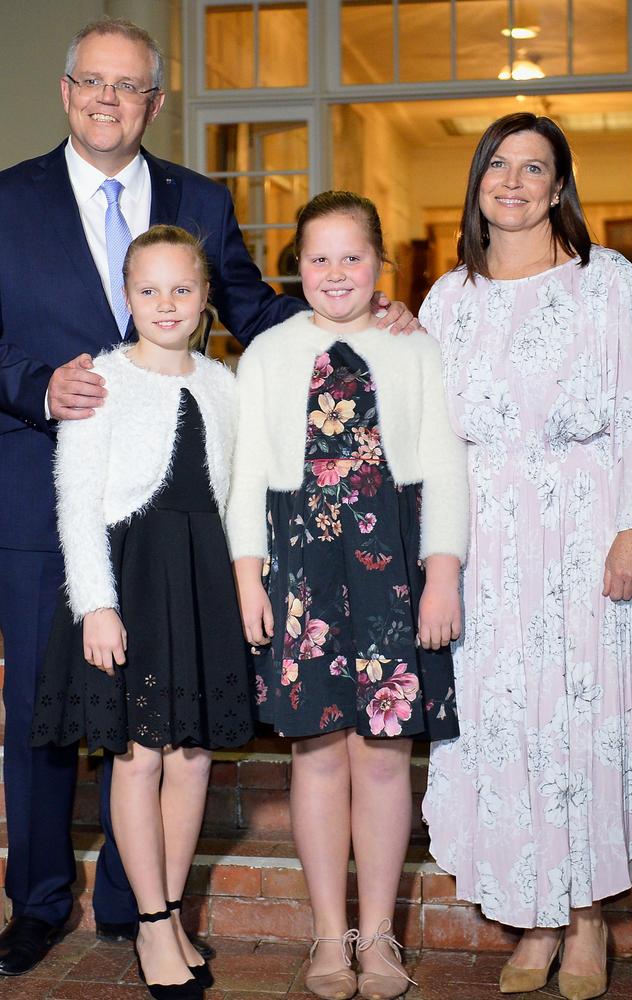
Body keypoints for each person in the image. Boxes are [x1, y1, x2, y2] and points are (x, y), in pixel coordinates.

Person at [0, 15, 416, 975]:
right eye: (91, 83)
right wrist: (33, 387)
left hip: (173, 526)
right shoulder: (8, 200)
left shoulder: (200, 196)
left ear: (155, 101)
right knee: (44, 713)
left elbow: (258, 312)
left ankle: (137, 905)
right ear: (66, 92)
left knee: (158, 720)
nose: (109, 100)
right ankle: (38, 899)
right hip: (42, 486)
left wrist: (351, 315)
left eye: (129, 86)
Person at [419, 112, 632, 1000]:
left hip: (587, 532)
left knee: (582, 721)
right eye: (497, 167)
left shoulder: (608, 283)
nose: (512, 182)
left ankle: (588, 921)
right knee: (507, 726)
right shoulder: (448, 298)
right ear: (478, 183)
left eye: (533, 168)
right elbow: (429, 430)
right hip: (487, 543)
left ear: (560, 187)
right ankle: (535, 921)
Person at [226, 191, 469, 1000]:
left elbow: (445, 468)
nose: (335, 272)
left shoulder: (415, 348)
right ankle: (331, 937)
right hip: (301, 573)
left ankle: (381, 941)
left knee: (387, 757)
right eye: (318, 257)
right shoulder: (266, 353)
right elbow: (245, 476)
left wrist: (442, 574)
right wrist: (248, 577)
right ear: (296, 266)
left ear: (380, 265)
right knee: (318, 756)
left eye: (352, 256)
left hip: (390, 571)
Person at [32, 223, 250, 998]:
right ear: (127, 297)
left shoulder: (227, 385)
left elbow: (238, 497)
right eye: (149, 289)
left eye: (181, 289)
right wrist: (96, 604)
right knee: (140, 755)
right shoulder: (103, 378)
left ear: (204, 300)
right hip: (130, 580)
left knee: (192, 758)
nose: (166, 303)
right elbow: (74, 503)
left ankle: (171, 910)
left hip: (201, 583)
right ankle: (151, 925)